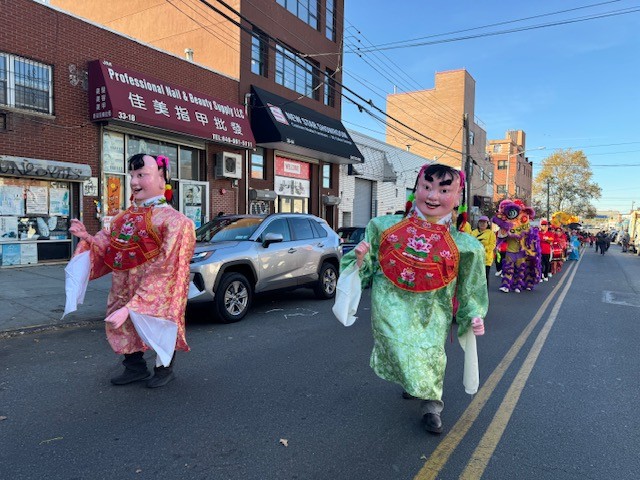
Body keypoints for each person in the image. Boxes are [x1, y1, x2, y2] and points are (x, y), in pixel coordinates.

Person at [341, 163, 488, 435]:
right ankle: (413, 385)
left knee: (431, 355)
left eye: (444, 190)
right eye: (427, 187)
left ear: (457, 197)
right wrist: (359, 262)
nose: (432, 196)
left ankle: (432, 406)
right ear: (416, 189)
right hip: (390, 309)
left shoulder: (468, 247)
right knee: (398, 348)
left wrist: (474, 314)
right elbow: (363, 270)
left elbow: (471, 288)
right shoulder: (381, 227)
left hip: (433, 313)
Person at [66, 153, 196, 388]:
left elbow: (167, 267)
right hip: (122, 286)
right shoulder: (123, 217)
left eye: (142, 175)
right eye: (132, 176)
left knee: (158, 325)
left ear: (161, 178)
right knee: (123, 326)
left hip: (158, 291)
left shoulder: (176, 221)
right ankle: (134, 367)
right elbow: (108, 246)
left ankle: (163, 369)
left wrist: (132, 306)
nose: (134, 182)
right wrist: (87, 238)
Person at [471, 215, 497, 286]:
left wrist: (483, 248)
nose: (482, 224)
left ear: (487, 223)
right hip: (475, 258)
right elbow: (470, 243)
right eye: (481, 222)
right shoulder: (474, 232)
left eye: (484, 222)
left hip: (486, 258)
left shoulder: (491, 233)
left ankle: (484, 293)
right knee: (475, 276)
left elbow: (492, 245)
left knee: (484, 277)